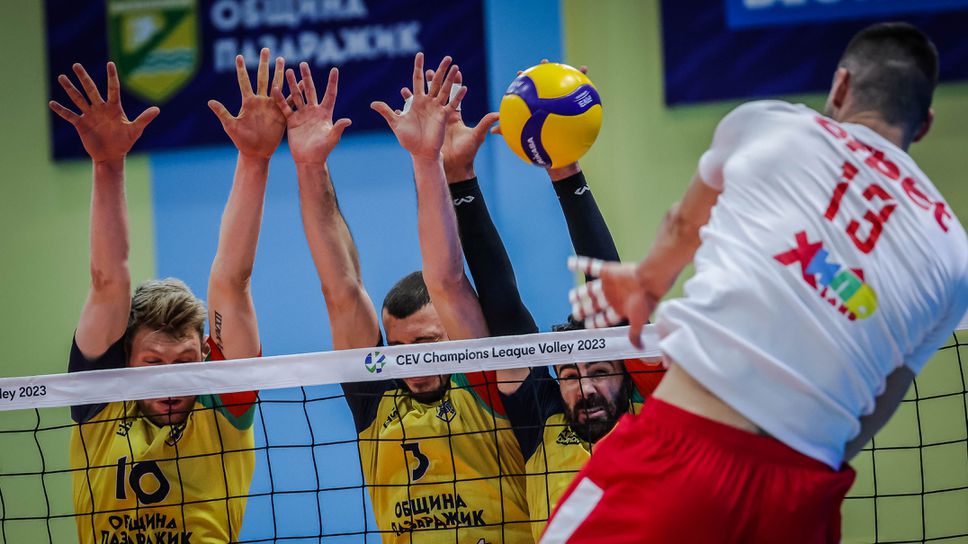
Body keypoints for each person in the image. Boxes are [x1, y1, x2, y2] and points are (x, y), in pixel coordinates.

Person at [552, 22, 968, 543]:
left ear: (839, 87)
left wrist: (646, 285)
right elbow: (881, 402)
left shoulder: (771, 124)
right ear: (924, 123)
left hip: (683, 460)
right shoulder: (954, 255)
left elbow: (685, 224)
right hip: (802, 500)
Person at [273, 54, 533, 542]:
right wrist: (309, 165)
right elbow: (341, 289)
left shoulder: (484, 381)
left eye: (431, 344)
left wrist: (426, 160)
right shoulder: (377, 403)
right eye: (403, 351)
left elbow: (448, 278)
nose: (416, 365)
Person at [53, 49, 286, 543]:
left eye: (184, 361)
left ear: (204, 354)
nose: (171, 382)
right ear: (125, 360)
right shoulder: (101, 403)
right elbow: (108, 281)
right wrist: (108, 165)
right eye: (153, 363)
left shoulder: (220, 410)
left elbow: (231, 281)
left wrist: (256, 159)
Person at [436, 64, 664, 540]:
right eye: (570, 376)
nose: (583, 390)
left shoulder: (654, 415)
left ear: (626, 372)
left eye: (599, 372)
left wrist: (565, 168)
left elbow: (607, 294)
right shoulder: (540, 423)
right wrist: (459, 178)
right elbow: (503, 308)